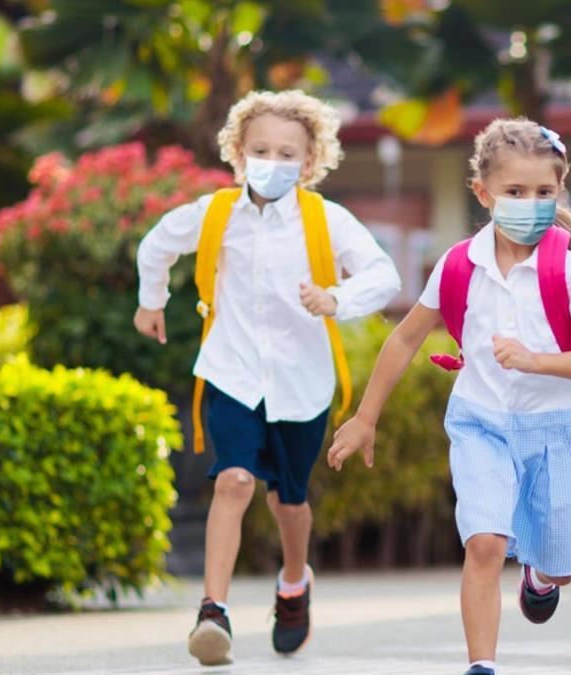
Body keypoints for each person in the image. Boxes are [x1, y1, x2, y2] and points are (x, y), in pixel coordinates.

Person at [327, 117, 571, 675]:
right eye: (515, 192)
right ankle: (482, 665)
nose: (531, 203)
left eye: (544, 192)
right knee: (485, 544)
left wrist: (534, 359)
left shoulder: (567, 267)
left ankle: (540, 576)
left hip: (558, 426)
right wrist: (366, 417)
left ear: (559, 190)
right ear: (484, 193)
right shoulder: (458, 264)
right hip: (481, 422)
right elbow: (405, 339)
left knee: (561, 564)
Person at [133, 90, 401, 666]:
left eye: (287, 153)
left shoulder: (325, 220)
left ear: (309, 162)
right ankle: (213, 612)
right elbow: (157, 245)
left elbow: (383, 274)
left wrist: (336, 298)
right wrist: (150, 301)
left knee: (288, 501)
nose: (272, 161)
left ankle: (294, 583)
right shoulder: (214, 213)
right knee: (232, 481)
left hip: (301, 384)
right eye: (261, 149)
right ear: (238, 151)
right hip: (230, 372)